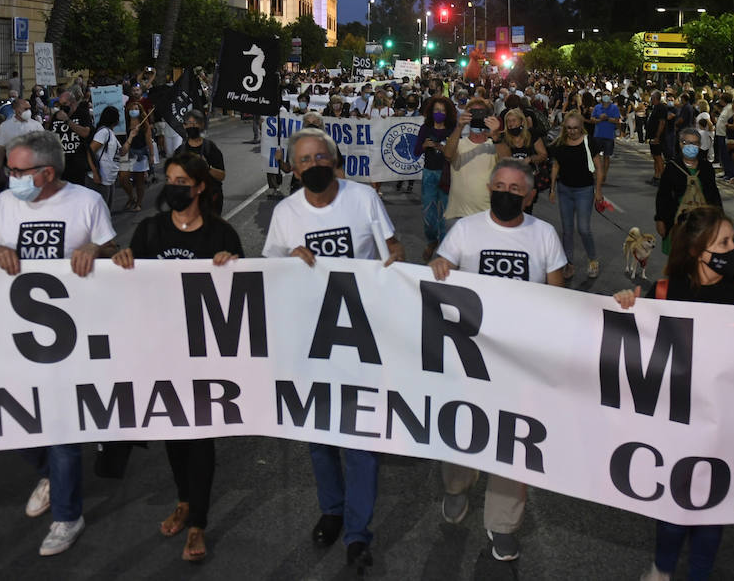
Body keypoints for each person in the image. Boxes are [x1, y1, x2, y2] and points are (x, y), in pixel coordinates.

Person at [614, 206, 734, 581]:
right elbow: (635, 347)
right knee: (673, 510)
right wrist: (624, 305)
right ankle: (662, 568)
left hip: (727, 427)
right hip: (677, 425)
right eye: (725, 242)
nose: (733, 249)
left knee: (714, 512)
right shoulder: (666, 291)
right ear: (700, 250)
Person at [261, 127, 403, 573]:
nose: (314, 165)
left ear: (333, 159)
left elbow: (393, 249)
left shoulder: (363, 200)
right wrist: (289, 262)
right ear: (293, 167)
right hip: (310, 339)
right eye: (304, 159)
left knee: (360, 439)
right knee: (320, 436)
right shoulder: (285, 213)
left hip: (362, 337)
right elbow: (267, 269)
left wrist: (392, 269)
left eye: (321, 156)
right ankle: (332, 510)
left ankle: (358, 533)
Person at [0, 130, 118, 558]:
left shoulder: (86, 202)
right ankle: (50, 474)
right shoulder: (5, 204)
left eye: (18, 170)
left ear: (47, 173)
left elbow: (114, 252)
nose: (10, 175)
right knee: (14, 422)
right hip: (16, 336)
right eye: (10, 168)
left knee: (60, 427)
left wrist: (95, 249)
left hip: (70, 337)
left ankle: (66, 515)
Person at [428, 159, 567, 562]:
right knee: (460, 424)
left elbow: (559, 295)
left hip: (521, 360)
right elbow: (442, 273)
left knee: (513, 438)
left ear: (528, 194)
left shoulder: (544, 235)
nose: (507, 192)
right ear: (489, 188)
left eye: (515, 188)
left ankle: (503, 523)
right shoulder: (465, 231)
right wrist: (439, 266)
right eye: (500, 185)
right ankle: (457, 486)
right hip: (469, 356)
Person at [113, 152, 242, 564]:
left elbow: (247, 296)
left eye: (182, 180)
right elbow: (131, 285)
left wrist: (234, 267)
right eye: (169, 178)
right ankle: (184, 500)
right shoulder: (149, 232)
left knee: (200, 435)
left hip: (205, 355)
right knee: (174, 431)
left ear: (200, 186)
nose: (174, 186)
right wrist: (121, 264)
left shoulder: (221, 235)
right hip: (161, 350)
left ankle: (198, 523)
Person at [549, 110, 602, 279]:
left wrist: (598, 190)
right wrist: (551, 189)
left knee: (584, 229)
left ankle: (593, 260)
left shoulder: (589, 142)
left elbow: (599, 169)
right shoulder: (559, 144)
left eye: (576, 128)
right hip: (564, 190)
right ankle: (569, 263)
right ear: (565, 127)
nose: (572, 131)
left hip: (584, 190)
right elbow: (555, 167)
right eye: (569, 128)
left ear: (581, 128)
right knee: (567, 230)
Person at [655, 127, 723, 251]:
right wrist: (660, 219)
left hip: (703, 224)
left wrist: (719, 219)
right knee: (678, 263)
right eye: (687, 143)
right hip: (677, 223)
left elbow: (714, 195)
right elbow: (663, 196)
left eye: (695, 143)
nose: (691, 146)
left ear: (700, 145)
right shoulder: (671, 168)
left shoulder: (706, 168)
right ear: (680, 144)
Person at [443, 97, 501, 232]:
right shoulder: (459, 143)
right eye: (473, 113)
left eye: (481, 113)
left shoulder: (495, 145)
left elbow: (508, 162)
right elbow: (447, 155)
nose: (477, 117)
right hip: (457, 216)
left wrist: (496, 135)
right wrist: (459, 127)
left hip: (486, 216)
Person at [413, 95, 457, 259]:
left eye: (443, 111)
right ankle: (432, 240)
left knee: (446, 215)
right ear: (431, 111)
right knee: (429, 215)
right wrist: (424, 145)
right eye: (437, 110)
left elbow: (455, 154)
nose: (439, 113)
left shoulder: (452, 130)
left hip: (447, 175)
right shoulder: (425, 128)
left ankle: (443, 252)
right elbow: (416, 152)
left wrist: (441, 147)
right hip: (429, 174)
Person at [496, 107, 548, 213]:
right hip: (510, 181)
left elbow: (543, 154)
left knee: (526, 210)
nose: (511, 124)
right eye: (508, 121)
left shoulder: (531, 135)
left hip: (528, 181)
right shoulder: (503, 138)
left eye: (514, 120)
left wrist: (530, 159)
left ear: (521, 121)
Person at [180, 110, 226, 215]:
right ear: (184, 126)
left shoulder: (210, 148)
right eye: (190, 123)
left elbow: (222, 176)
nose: (192, 126)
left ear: (202, 126)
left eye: (196, 123)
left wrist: (206, 167)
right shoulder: (180, 152)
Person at [116, 104, 156, 212]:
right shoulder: (124, 124)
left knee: (139, 181)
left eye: (136, 109)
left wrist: (151, 155)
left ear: (140, 110)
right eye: (131, 109)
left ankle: (138, 203)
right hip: (126, 153)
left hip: (140, 154)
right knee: (123, 178)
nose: (133, 110)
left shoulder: (144, 124)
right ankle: (131, 197)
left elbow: (148, 141)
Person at [48, 91, 93, 186]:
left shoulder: (82, 114)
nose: (62, 107)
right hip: (60, 164)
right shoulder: (57, 116)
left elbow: (85, 133)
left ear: (73, 102)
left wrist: (67, 120)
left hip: (77, 164)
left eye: (64, 104)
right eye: (60, 104)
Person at [87, 105, 122, 209]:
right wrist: (95, 172)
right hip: (99, 179)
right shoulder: (104, 132)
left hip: (108, 179)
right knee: (101, 211)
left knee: (106, 210)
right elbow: (90, 151)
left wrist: (132, 136)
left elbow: (122, 151)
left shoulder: (110, 133)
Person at [590, 91, 621, 186]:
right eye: (604, 95)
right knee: (595, 156)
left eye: (608, 95)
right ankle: (596, 174)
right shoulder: (597, 107)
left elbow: (616, 120)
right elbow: (592, 119)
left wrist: (607, 118)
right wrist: (599, 119)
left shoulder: (614, 108)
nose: (606, 96)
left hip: (609, 136)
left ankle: (604, 176)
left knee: (606, 156)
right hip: (598, 135)